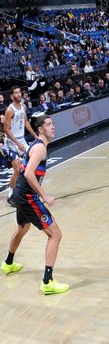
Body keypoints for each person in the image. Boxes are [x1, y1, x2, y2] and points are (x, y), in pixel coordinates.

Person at [3, 115, 68, 293]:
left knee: (22, 228)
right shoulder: (40, 148)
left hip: (20, 195)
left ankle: (8, 263)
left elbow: (24, 169)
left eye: (53, 123)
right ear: (40, 129)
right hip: (27, 197)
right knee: (55, 234)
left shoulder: (37, 145)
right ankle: (48, 282)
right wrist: (44, 195)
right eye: (48, 125)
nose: (53, 127)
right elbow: (30, 173)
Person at [4, 86, 36, 156]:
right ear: (12, 96)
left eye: (19, 92)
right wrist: (17, 143)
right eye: (16, 93)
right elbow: (6, 130)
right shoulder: (9, 110)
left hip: (22, 139)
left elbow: (26, 122)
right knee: (19, 165)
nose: (18, 94)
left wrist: (35, 136)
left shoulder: (23, 106)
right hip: (12, 141)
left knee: (32, 158)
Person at [1, 142, 21, 207]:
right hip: (4, 148)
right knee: (17, 169)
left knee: (18, 169)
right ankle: (12, 195)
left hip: (9, 146)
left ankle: (12, 194)